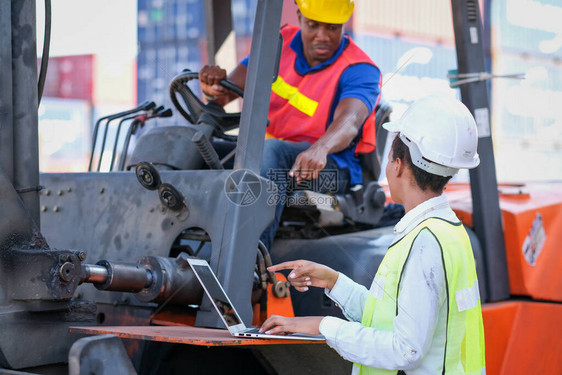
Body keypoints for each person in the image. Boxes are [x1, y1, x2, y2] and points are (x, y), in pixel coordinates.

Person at [260, 94, 487, 374]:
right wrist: (334, 282)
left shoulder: (425, 242)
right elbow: (391, 317)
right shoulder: (445, 231)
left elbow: (407, 350)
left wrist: (321, 325)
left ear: (398, 165)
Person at [199, 0, 382, 250]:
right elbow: (224, 95)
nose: (322, 36)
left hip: (328, 168)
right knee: (180, 144)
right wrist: (212, 87)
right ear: (299, 16)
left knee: (270, 152)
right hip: (267, 159)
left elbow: (349, 121)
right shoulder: (280, 44)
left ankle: (248, 265)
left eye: (331, 28)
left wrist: (321, 148)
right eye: (313, 25)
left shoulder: (360, 69)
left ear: (343, 25)